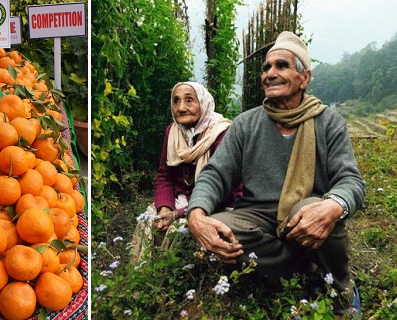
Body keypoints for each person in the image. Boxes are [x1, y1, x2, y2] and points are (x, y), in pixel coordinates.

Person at [186, 31, 366, 314]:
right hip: (256, 215)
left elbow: (350, 179)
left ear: (304, 78)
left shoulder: (328, 122)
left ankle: (340, 289)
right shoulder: (246, 124)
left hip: (305, 213)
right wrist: (196, 215)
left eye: (281, 65)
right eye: (266, 68)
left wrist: (334, 205)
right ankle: (303, 276)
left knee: (315, 209)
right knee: (220, 230)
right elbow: (216, 174)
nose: (270, 73)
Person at [130, 81, 236, 263]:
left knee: (177, 229)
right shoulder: (172, 132)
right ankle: (140, 274)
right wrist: (165, 208)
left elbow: (225, 188)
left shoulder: (222, 134)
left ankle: (167, 278)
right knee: (149, 219)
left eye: (189, 101)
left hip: (215, 202)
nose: (181, 108)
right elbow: (165, 175)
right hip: (182, 199)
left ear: (203, 103)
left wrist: (178, 214)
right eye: (176, 101)